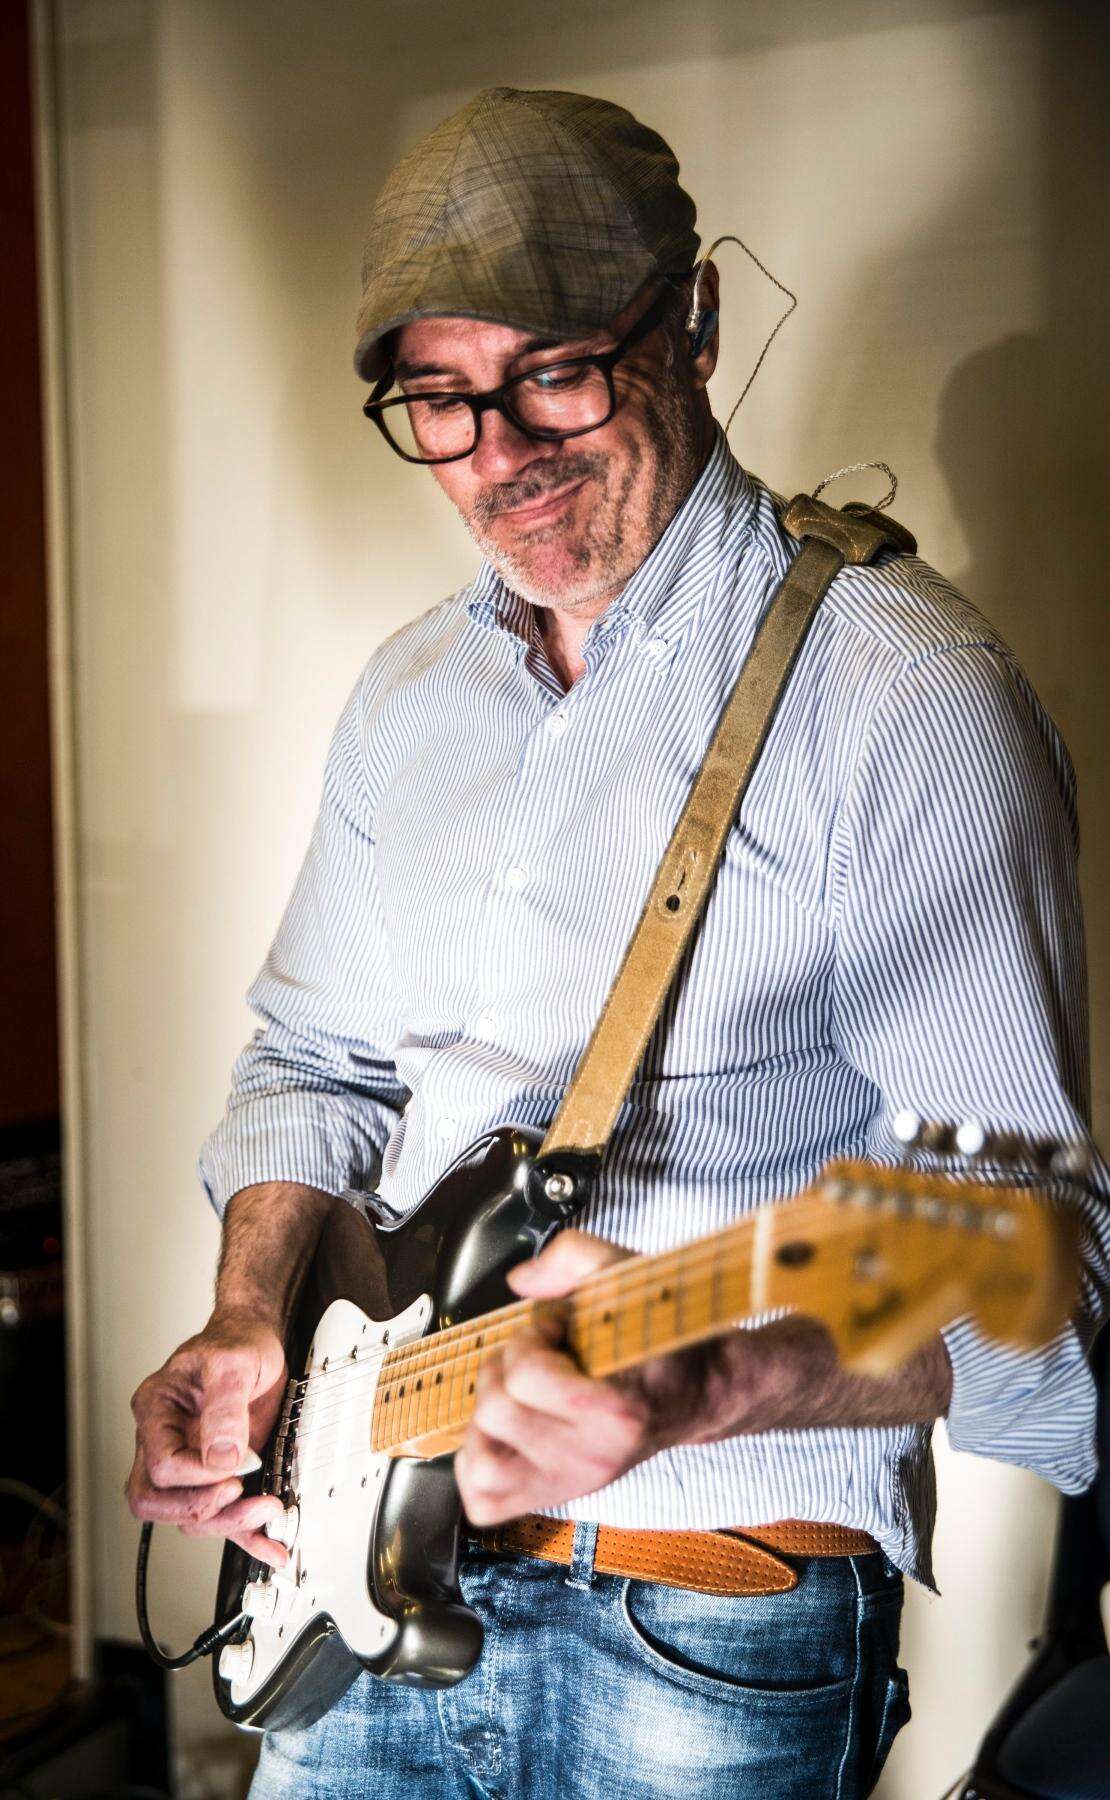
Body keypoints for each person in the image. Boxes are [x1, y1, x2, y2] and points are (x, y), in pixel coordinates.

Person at [126, 88, 1108, 1798]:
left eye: (556, 372)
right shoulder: (409, 695)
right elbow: (315, 1060)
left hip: (703, 1611)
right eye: (440, 398)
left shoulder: (905, 703)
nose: (498, 453)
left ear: (695, 323)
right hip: (352, 1575)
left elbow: (1033, 1270)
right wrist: (247, 1311)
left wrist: (703, 1382)